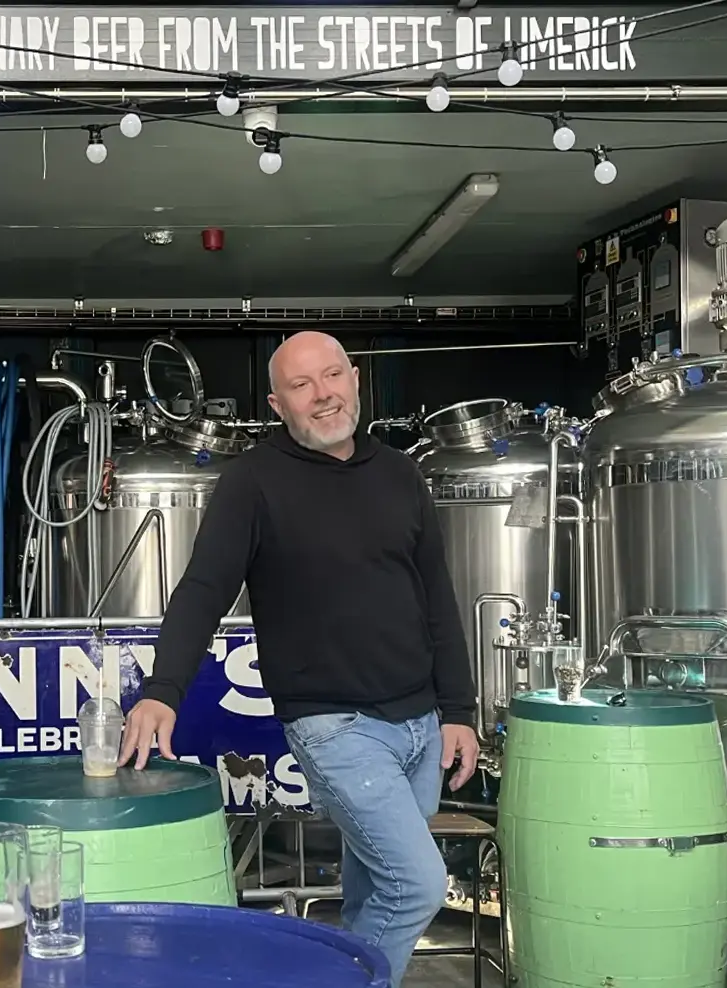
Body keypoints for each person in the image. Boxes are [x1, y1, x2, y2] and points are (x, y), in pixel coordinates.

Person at [119, 330, 479, 987]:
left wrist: (458, 709)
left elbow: (437, 601)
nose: (323, 395)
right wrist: (162, 688)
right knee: (419, 884)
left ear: (356, 379)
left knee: (376, 897)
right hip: (336, 727)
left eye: (333, 376)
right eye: (302, 385)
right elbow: (202, 590)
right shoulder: (253, 482)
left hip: (420, 727)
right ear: (277, 403)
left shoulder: (401, 474)